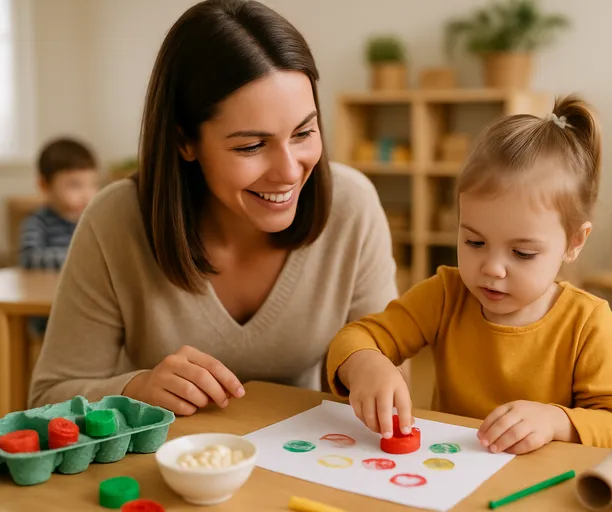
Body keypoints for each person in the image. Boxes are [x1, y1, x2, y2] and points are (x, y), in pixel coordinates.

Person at [28, 0, 398, 415]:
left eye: (303, 133)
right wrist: (136, 389)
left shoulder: (352, 206)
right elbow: (48, 397)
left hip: (301, 452)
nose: (289, 171)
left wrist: (372, 367)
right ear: (184, 141)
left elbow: (385, 365)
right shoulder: (115, 220)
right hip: (163, 454)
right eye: (251, 145)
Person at [325, 95, 612, 455]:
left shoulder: (587, 322)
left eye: (522, 253)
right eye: (474, 242)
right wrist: (365, 363)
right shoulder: (446, 294)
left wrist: (555, 421)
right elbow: (353, 338)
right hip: (449, 474)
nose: (492, 268)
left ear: (574, 242)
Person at [18, 137, 100, 334]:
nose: (86, 194)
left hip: (86, 304)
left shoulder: (93, 222)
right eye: (75, 185)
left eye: (92, 184)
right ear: (44, 185)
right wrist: (80, 257)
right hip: (48, 311)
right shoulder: (37, 222)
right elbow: (29, 257)